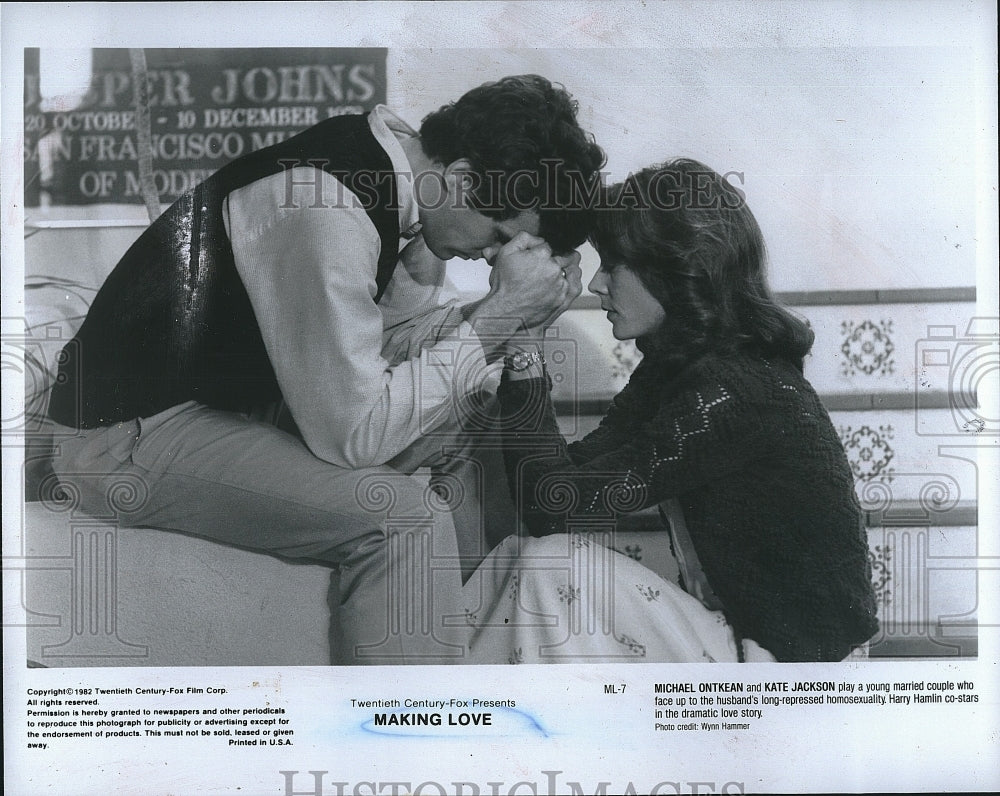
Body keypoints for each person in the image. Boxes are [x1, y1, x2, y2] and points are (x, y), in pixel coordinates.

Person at [45, 74, 604, 665]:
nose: (493, 259)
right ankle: (413, 735)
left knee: (473, 417)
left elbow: (367, 362)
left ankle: (456, 649)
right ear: (462, 178)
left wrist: (508, 320)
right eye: (498, 237)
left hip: (219, 407)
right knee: (402, 518)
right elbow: (355, 435)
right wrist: (497, 316)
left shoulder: (390, 177)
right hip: (123, 435)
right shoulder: (325, 204)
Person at [461, 159, 879, 664]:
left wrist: (523, 348)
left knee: (549, 566)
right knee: (523, 559)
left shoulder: (735, 391)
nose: (597, 285)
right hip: (748, 644)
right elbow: (560, 484)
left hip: (800, 672)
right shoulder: (682, 369)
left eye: (613, 264)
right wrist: (525, 334)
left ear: (675, 269)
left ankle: (435, 704)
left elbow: (555, 509)